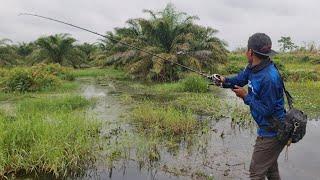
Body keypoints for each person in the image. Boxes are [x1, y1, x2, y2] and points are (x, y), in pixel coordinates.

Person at [216, 33, 286, 180]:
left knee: (256, 173)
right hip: (268, 129)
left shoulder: (269, 78)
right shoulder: (253, 67)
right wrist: (223, 80)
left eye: (246, 49)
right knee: (270, 169)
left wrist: (245, 96)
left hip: (272, 132)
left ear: (250, 52)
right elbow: (239, 80)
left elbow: (267, 111)